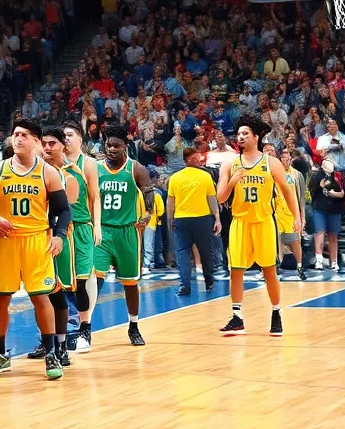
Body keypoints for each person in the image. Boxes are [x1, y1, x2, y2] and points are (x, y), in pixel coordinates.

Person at [0, 121, 72, 378]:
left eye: (24, 135)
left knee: (40, 297)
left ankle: (51, 354)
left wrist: (59, 236)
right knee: (1, 298)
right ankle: (0, 355)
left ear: (36, 141)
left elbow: (63, 210)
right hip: (6, 241)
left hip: (37, 241)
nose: (18, 139)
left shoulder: (48, 172)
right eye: (15, 135)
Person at [216, 116, 299, 338]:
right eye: (239, 134)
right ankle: (237, 317)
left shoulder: (271, 163)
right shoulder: (229, 164)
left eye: (245, 134)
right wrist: (233, 181)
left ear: (256, 136)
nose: (240, 137)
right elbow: (221, 196)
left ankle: (276, 313)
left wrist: (296, 217)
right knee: (236, 270)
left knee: (269, 270)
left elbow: (287, 192)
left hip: (263, 221)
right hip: (239, 222)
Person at [94, 125, 156, 347]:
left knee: (130, 284)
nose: (111, 149)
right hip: (102, 231)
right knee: (94, 279)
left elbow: (149, 191)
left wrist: (148, 215)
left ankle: (134, 325)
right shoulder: (96, 168)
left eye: (116, 146)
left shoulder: (136, 169)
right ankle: (84, 327)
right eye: (108, 145)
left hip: (128, 232)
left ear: (125, 147)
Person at [41, 127, 82, 370]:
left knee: (59, 293)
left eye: (52, 143)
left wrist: (56, 233)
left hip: (59, 237)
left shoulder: (70, 176)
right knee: (41, 294)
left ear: (62, 146)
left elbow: (66, 211)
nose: (47, 148)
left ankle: (62, 345)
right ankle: (47, 343)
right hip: (36, 238)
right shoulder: (35, 172)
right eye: (44, 143)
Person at [60, 123, 101, 354]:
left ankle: (86, 329)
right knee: (61, 284)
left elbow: (95, 197)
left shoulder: (89, 164)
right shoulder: (54, 162)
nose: (66, 139)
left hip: (82, 227)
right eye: (63, 135)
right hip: (60, 229)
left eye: (70, 135)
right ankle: (61, 333)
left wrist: (97, 226)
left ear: (80, 139)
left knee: (83, 280)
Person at [166, 147, 221, 297]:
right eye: (196, 157)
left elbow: (170, 203)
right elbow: (212, 199)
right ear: (190, 159)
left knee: (182, 252)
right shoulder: (205, 176)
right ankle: (209, 280)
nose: (198, 159)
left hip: (182, 220)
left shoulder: (175, 178)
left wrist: (170, 219)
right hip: (202, 220)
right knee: (206, 252)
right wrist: (217, 218)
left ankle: (185, 286)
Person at [274, 148, 308, 282]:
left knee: (295, 242)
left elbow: (301, 198)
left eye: (288, 159)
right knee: (277, 243)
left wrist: (302, 216)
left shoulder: (296, 175)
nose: (285, 161)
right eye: (283, 159)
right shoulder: (274, 174)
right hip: (276, 212)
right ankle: (276, 268)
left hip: (291, 214)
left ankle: (299, 267)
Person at [308, 159, 345, 272]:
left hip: (335, 209)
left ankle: (334, 262)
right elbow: (318, 186)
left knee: (333, 235)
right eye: (324, 163)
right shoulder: (317, 176)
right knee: (319, 232)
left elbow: (343, 193)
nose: (327, 164)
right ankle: (319, 260)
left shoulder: (339, 177)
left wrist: (333, 194)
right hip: (320, 208)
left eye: (329, 162)